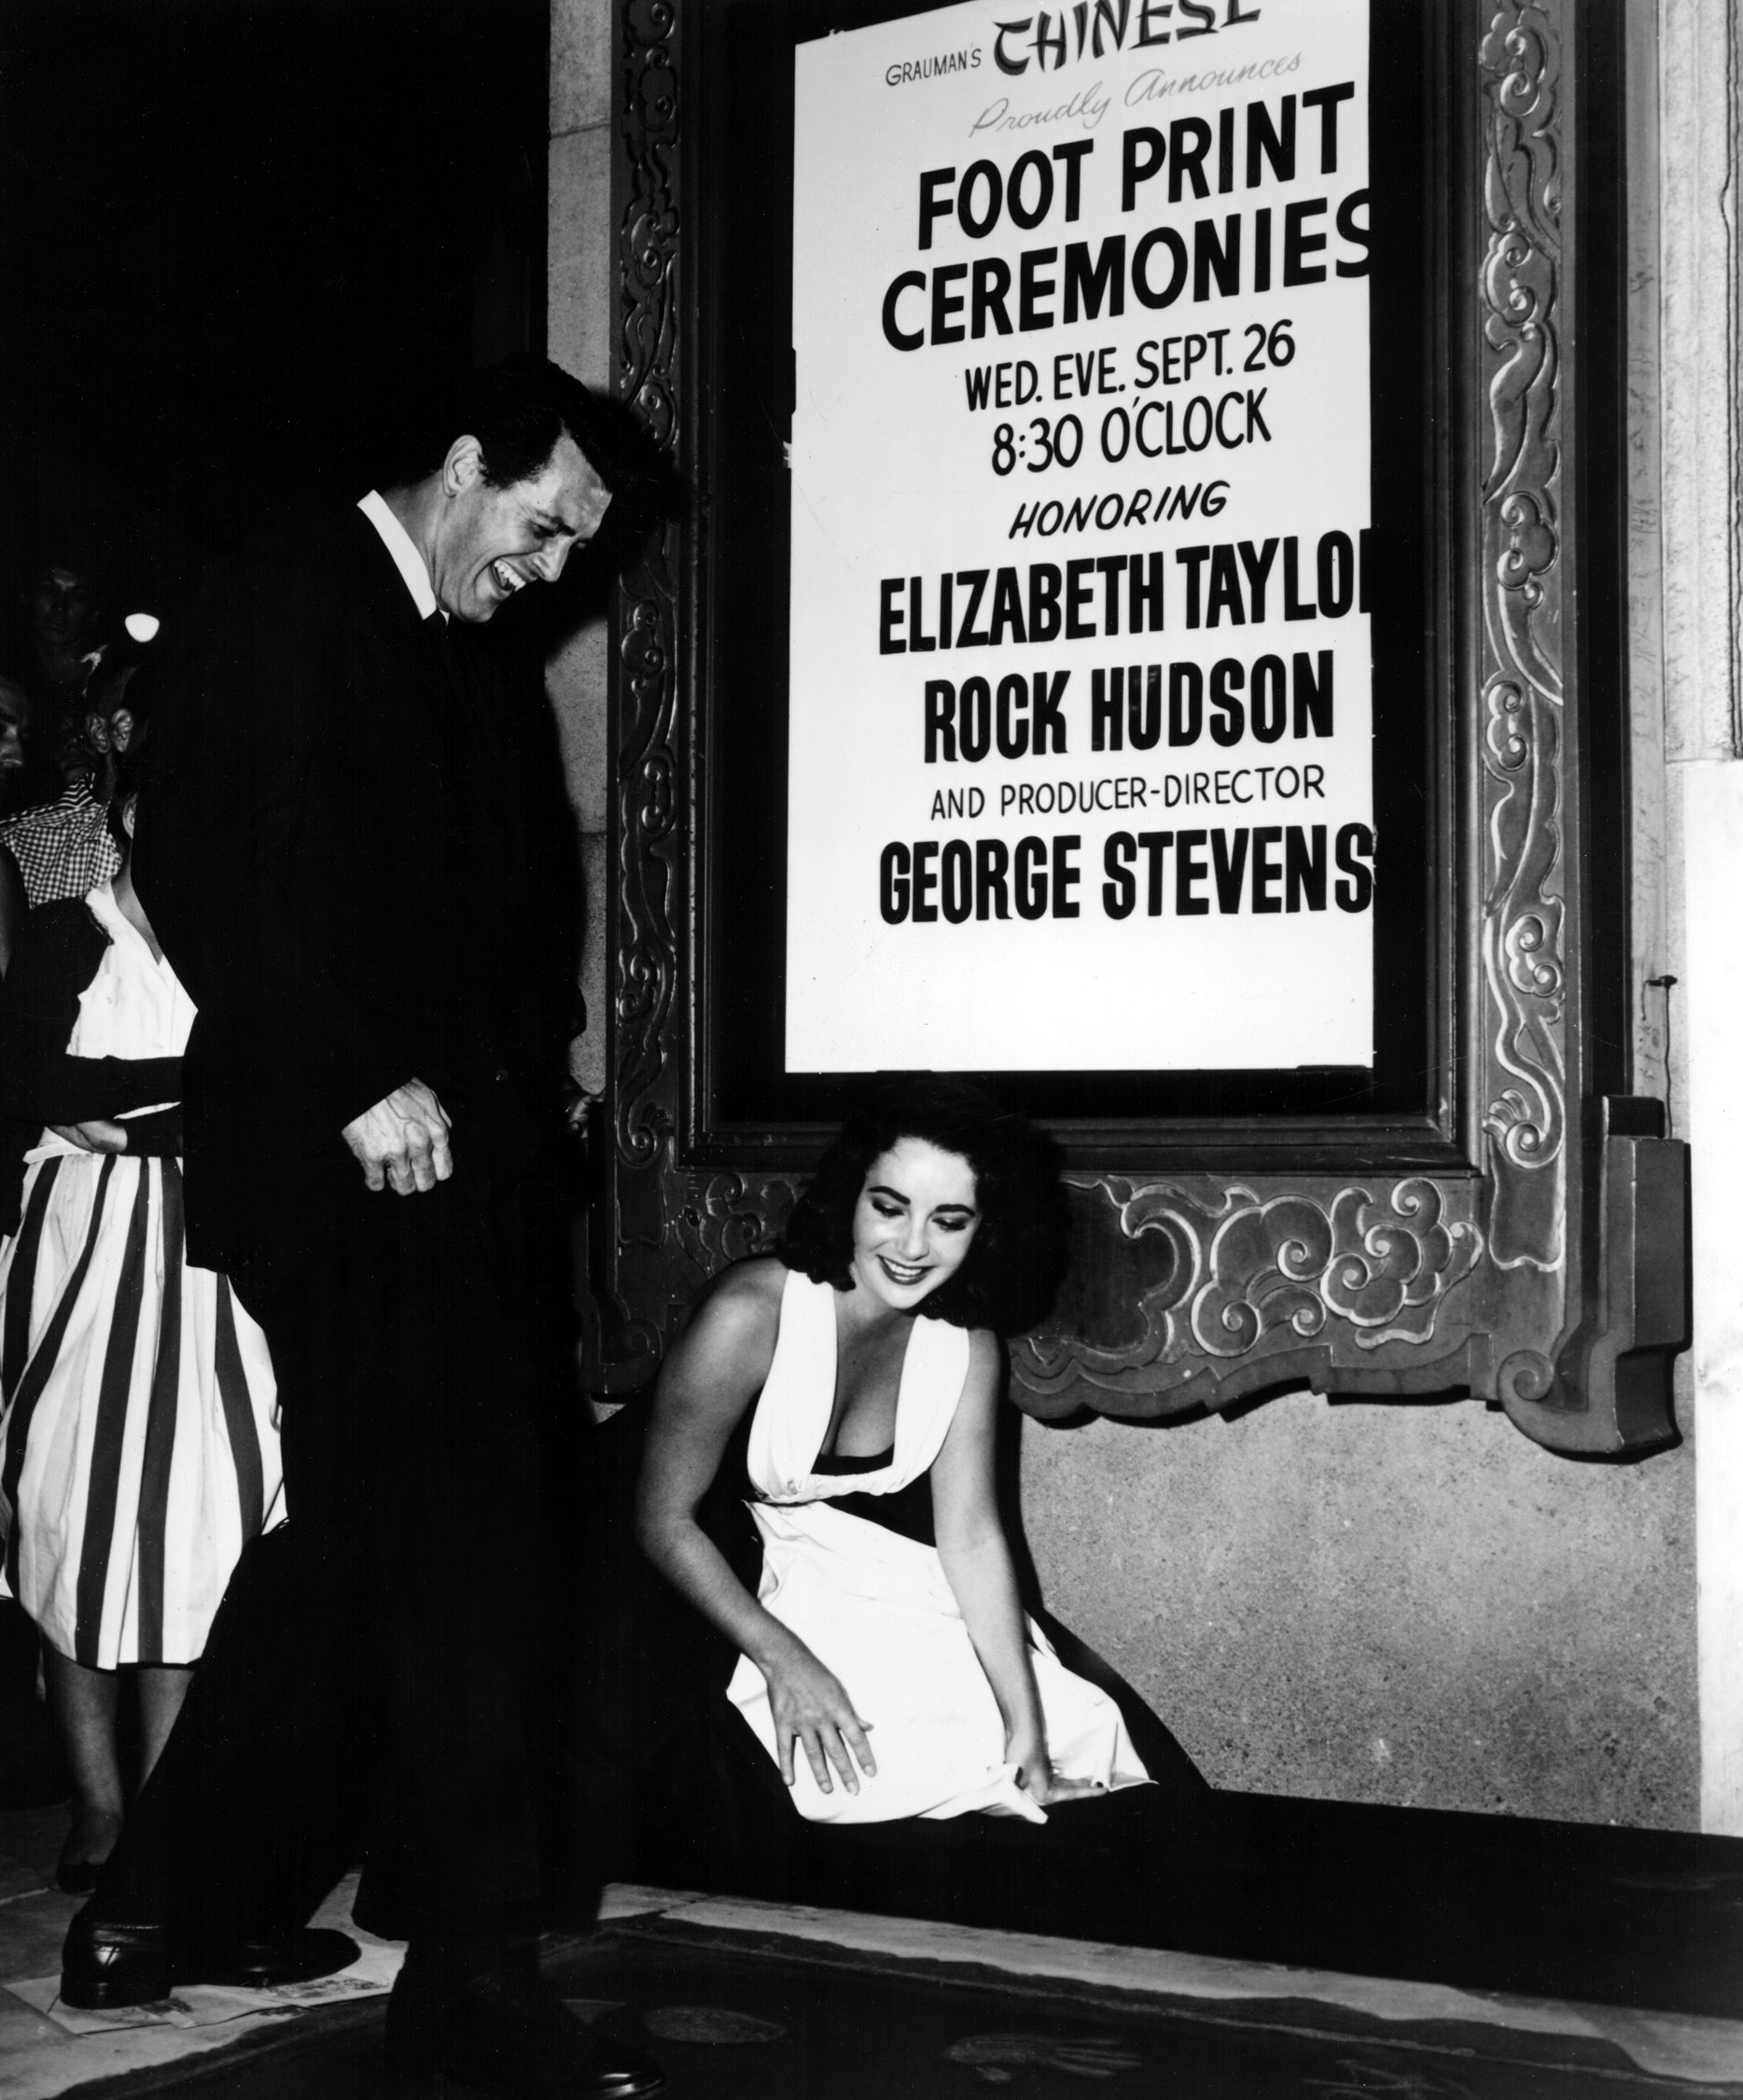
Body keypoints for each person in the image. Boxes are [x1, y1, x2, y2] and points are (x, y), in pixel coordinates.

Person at [61, 356, 664, 2100]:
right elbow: (199, 866)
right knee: (475, 1547)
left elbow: (498, 899)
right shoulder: (282, 592)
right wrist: (349, 1081)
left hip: (460, 1157)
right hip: (345, 1157)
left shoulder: (462, 645)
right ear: (466, 462)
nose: (551, 573)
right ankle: (474, 1969)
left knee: (364, 1538)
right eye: (543, 527)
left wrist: (536, 1094)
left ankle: (171, 1899)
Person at [634, 1079, 1157, 1827]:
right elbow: (661, 1520)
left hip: (817, 1555)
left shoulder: (968, 1349)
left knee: (1056, 1737)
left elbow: (972, 1540)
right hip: (659, 1563)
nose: (913, 1248)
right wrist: (787, 1662)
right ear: (850, 1194)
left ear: (986, 1229)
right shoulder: (747, 1315)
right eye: (889, 1207)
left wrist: (1029, 1733)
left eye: (949, 1221)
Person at [0, 743, 285, 1897]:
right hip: (81, 1262)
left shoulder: (253, 948)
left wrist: (147, 1112)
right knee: (70, 1524)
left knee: (199, 1533)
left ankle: (166, 1810)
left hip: (219, 1264)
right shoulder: (68, 931)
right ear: (125, 818)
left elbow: (280, 1084)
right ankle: (100, 1808)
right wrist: (180, 1106)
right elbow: (32, 1086)